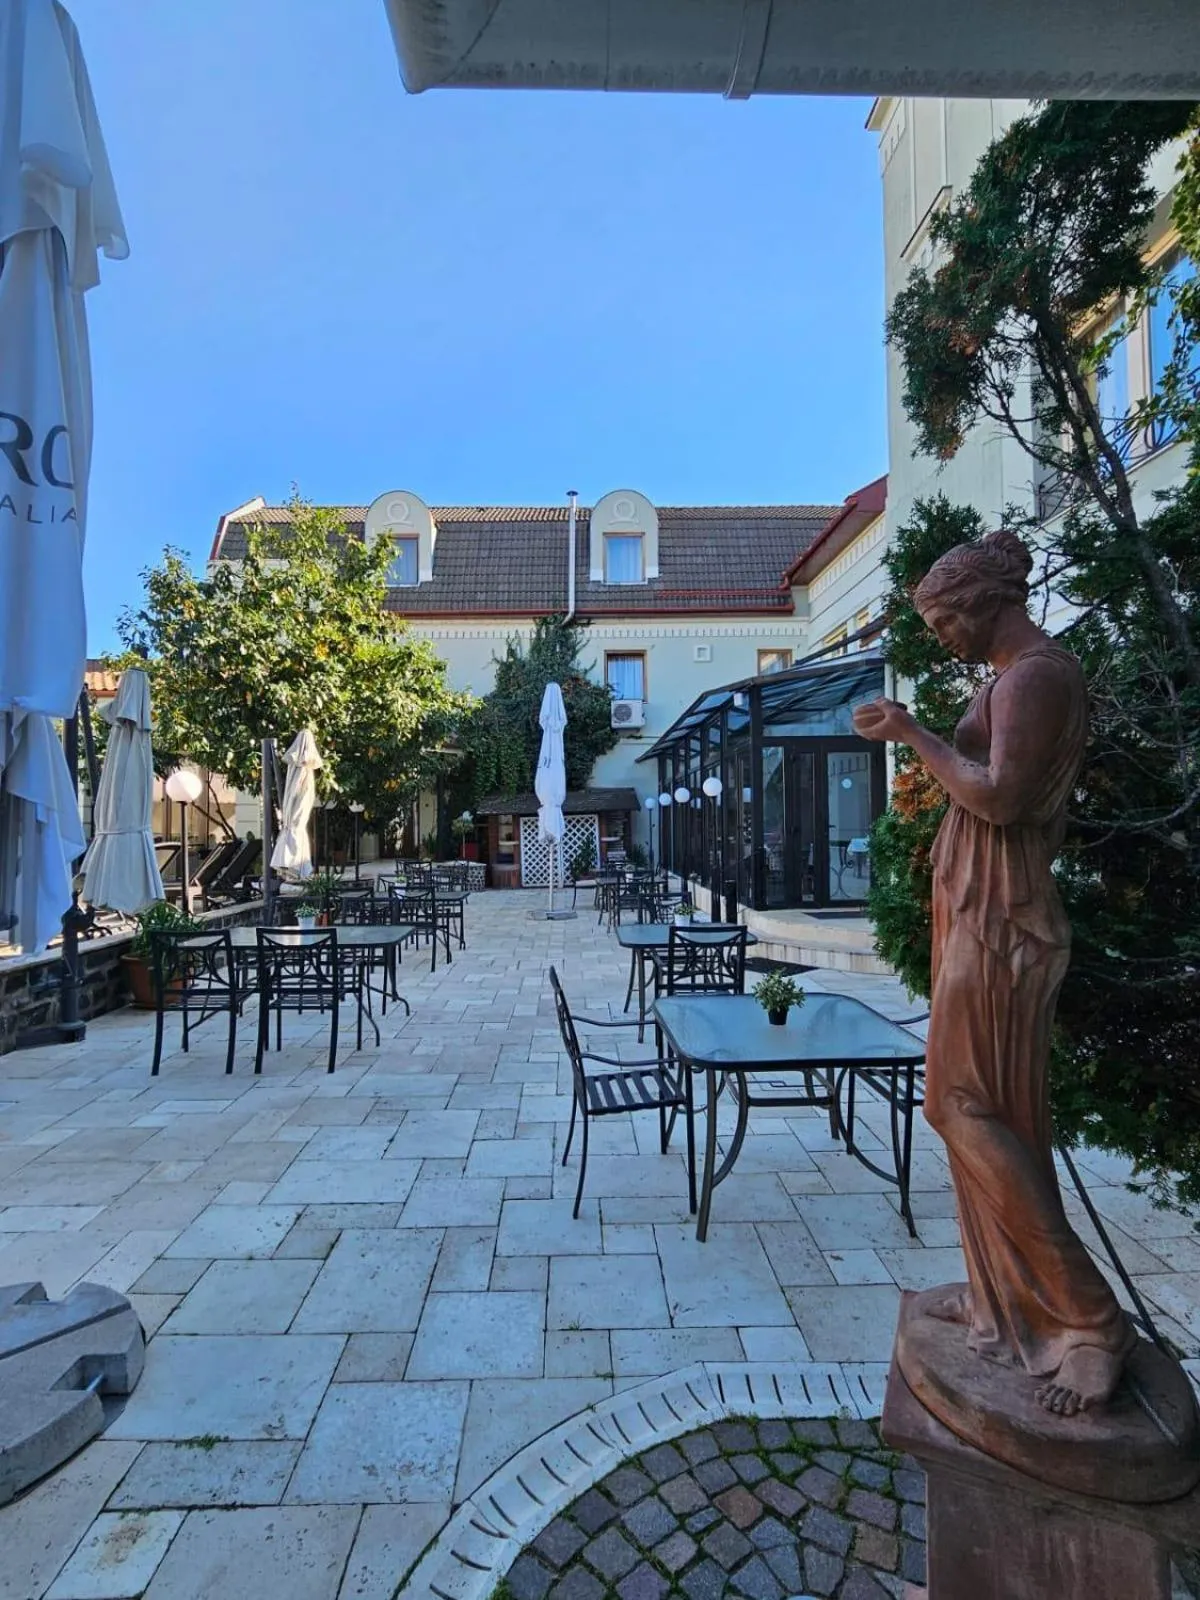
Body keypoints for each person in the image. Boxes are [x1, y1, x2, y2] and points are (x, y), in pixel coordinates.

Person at [853, 529, 1133, 1418]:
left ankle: (1089, 1319)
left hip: (1006, 916)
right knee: (986, 1109)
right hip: (980, 905)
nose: (941, 639)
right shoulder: (1010, 679)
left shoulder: (1038, 677)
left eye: (944, 622)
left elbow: (1003, 796)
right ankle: (1001, 1296)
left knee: (961, 1105)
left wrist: (913, 734)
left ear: (984, 603)